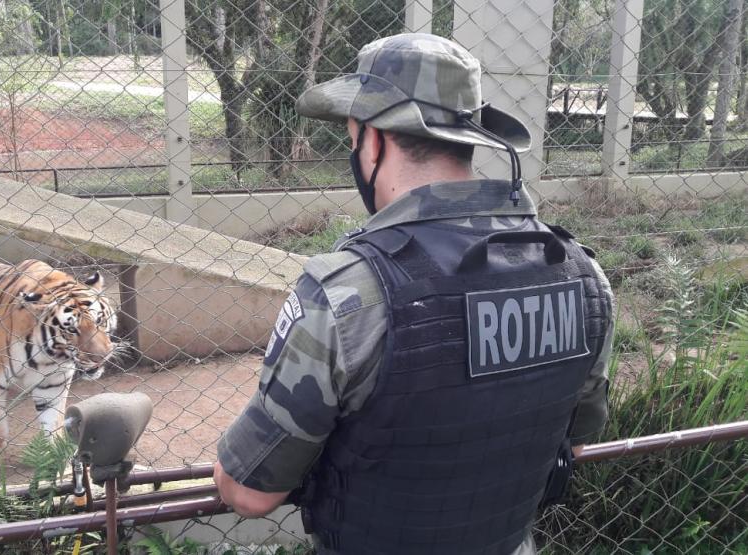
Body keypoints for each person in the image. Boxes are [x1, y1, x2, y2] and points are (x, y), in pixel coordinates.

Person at [213, 33, 614, 555]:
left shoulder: (348, 292)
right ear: (469, 136)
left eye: (353, 138)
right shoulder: (581, 275)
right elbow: (575, 440)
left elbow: (248, 492)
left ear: (372, 141)